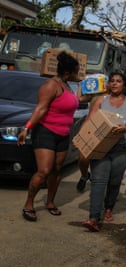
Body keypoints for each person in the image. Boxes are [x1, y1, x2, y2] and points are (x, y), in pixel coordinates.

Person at [18, 51, 90, 222]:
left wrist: (89, 87)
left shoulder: (68, 86)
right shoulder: (51, 86)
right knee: (43, 171)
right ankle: (29, 204)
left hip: (63, 134)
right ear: (68, 72)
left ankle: (50, 202)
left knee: (57, 170)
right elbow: (41, 109)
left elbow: (79, 100)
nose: (78, 74)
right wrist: (27, 128)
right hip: (46, 132)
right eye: (76, 72)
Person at [82, 72, 126, 232]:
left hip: (122, 149)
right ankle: (94, 217)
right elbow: (90, 120)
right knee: (98, 180)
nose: (115, 84)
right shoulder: (100, 100)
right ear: (108, 84)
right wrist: (81, 138)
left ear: (124, 85)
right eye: (112, 81)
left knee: (114, 180)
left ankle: (109, 207)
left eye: (119, 81)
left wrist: (125, 129)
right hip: (101, 147)